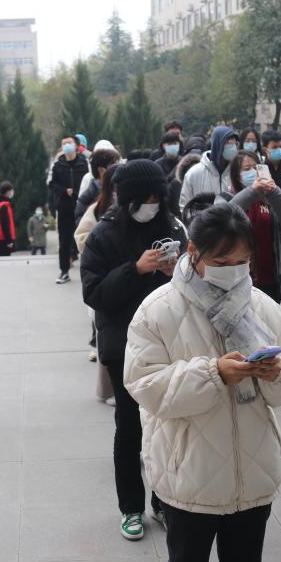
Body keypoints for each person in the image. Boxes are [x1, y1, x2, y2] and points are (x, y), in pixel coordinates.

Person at [125, 202, 281, 562]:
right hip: (189, 472)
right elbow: (144, 384)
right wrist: (214, 374)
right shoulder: (158, 310)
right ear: (194, 252)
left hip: (253, 471)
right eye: (222, 262)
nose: (233, 271)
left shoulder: (262, 305)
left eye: (242, 262)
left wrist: (277, 371)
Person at [81, 159, 188, 541]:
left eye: (158, 198)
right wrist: (136, 269)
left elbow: (195, 280)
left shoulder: (172, 227)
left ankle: (163, 500)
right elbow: (94, 293)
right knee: (129, 428)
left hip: (168, 342)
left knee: (165, 427)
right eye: (145, 198)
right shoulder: (103, 234)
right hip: (123, 345)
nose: (152, 205)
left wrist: (178, 272)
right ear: (127, 198)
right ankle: (131, 507)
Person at [226, 151, 281, 303]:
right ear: (237, 175)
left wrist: (275, 192)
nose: (252, 172)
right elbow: (225, 215)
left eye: (255, 167)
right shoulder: (227, 197)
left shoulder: (267, 200)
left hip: (270, 278)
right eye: (247, 169)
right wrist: (252, 191)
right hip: (239, 278)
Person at [75, 163, 122, 406]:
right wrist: (100, 244)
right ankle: (109, 390)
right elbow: (81, 237)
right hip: (104, 280)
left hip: (126, 281)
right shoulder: (97, 209)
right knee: (108, 336)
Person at [50, 135, 90, 284]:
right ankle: (64, 271)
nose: (66, 145)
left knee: (86, 238)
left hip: (82, 206)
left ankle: (89, 270)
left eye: (69, 142)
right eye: (64, 143)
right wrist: (63, 190)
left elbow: (90, 180)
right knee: (64, 241)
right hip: (64, 207)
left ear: (76, 145)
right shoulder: (58, 164)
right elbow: (52, 184)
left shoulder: (84, 163)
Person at [179, 126, 238, 212]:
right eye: (229, 143)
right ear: (218, 145)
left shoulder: (236, 171)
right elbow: (185, 206)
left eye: (235, 144)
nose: (233, 147)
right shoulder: (194, 173)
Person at [75, 142, 120, 224]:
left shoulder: (120, 188)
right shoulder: (90, 194)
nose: (118, 168)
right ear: (101, 170)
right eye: (113, 165)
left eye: (118, 163)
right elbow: (80, 220)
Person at [0, 181, 16, 257]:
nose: (12, 192)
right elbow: (5, 224)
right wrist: (9, 241)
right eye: (11, 190)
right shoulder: (4, 206)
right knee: (4, 261)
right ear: (7, 192)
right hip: (3, 240)